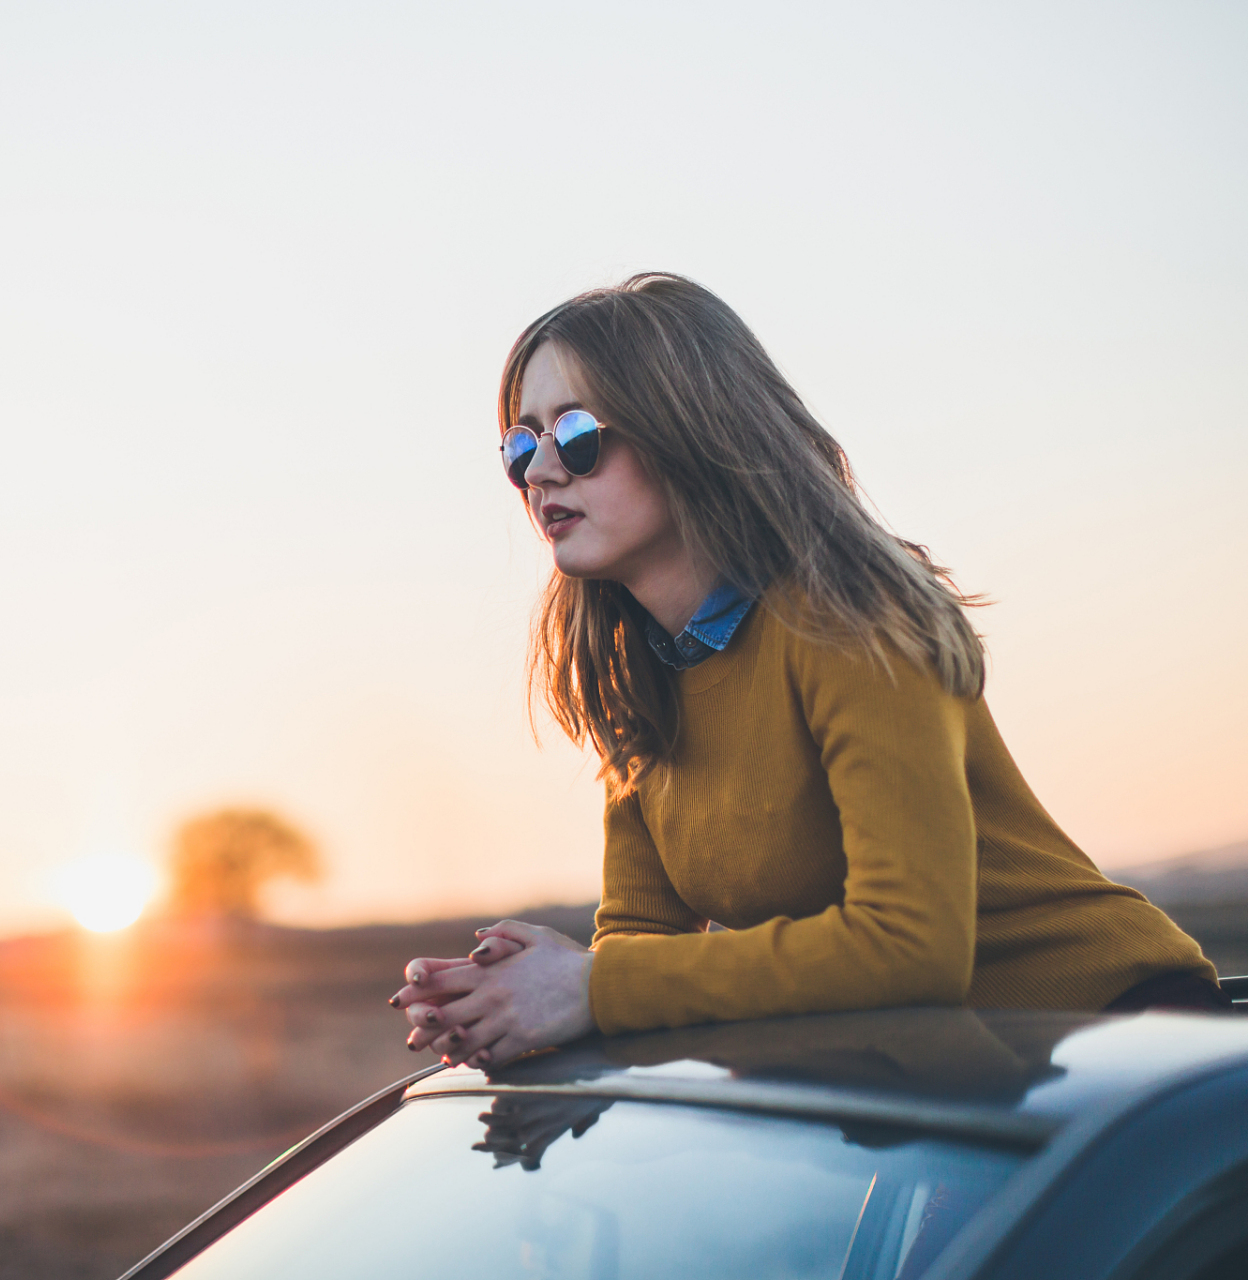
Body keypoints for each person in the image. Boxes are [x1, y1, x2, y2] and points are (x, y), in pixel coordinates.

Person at [391, 273, 1224, 1070]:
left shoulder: (848, 624)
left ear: (691, 429)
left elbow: (909, 948)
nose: (539, 472)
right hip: (933, 1082)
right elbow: (644, 943)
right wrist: (508, 1001)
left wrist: (591, 988)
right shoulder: (642, 681)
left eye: (576, 435)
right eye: (520, 444)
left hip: (1115, 1048)